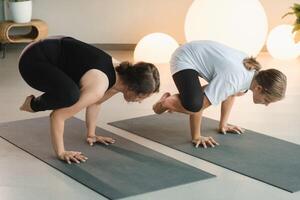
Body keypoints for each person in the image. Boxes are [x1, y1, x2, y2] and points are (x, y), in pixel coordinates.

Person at [19, 36, 160, 164]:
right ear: (132, 88)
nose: (140, 101)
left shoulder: (120, 77)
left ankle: (39, 104)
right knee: (70, 95)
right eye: (141, 97)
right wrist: (61, 152)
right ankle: (32, 104)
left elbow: (96, 102)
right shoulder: (100, 85)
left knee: (74, 92)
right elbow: (58, 116)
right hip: (32, 61)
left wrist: (91, 134)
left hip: (46, 49)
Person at [153, 40, 287, 148]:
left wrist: (223, 124)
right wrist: (197, 136)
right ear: (258, 88)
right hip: (185, 57)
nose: (267, 104)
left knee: (218, 94)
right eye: (268, 99)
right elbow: (201, 106)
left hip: (197, 53)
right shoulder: (234, 80)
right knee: (194, 105)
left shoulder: (251, 74)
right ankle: (165, 103)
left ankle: (178, 100)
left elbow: (230, 94)